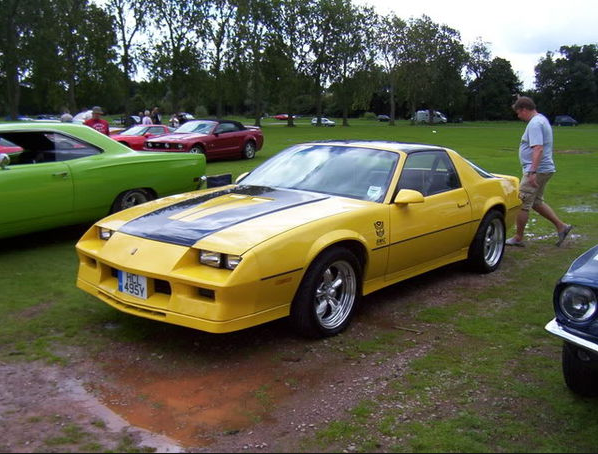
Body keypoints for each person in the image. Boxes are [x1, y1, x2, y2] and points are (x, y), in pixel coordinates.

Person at [506, 96, 572, 248]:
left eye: (518, 113)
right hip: (544, 169)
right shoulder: (541, 119)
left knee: (522, 201)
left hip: (537, 170)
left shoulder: (535, 123)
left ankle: (518, 238)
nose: (518, 116)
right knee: (536, 202)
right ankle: (561, 227)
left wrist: (532, 172)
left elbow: (538, 148)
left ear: (524, 109)